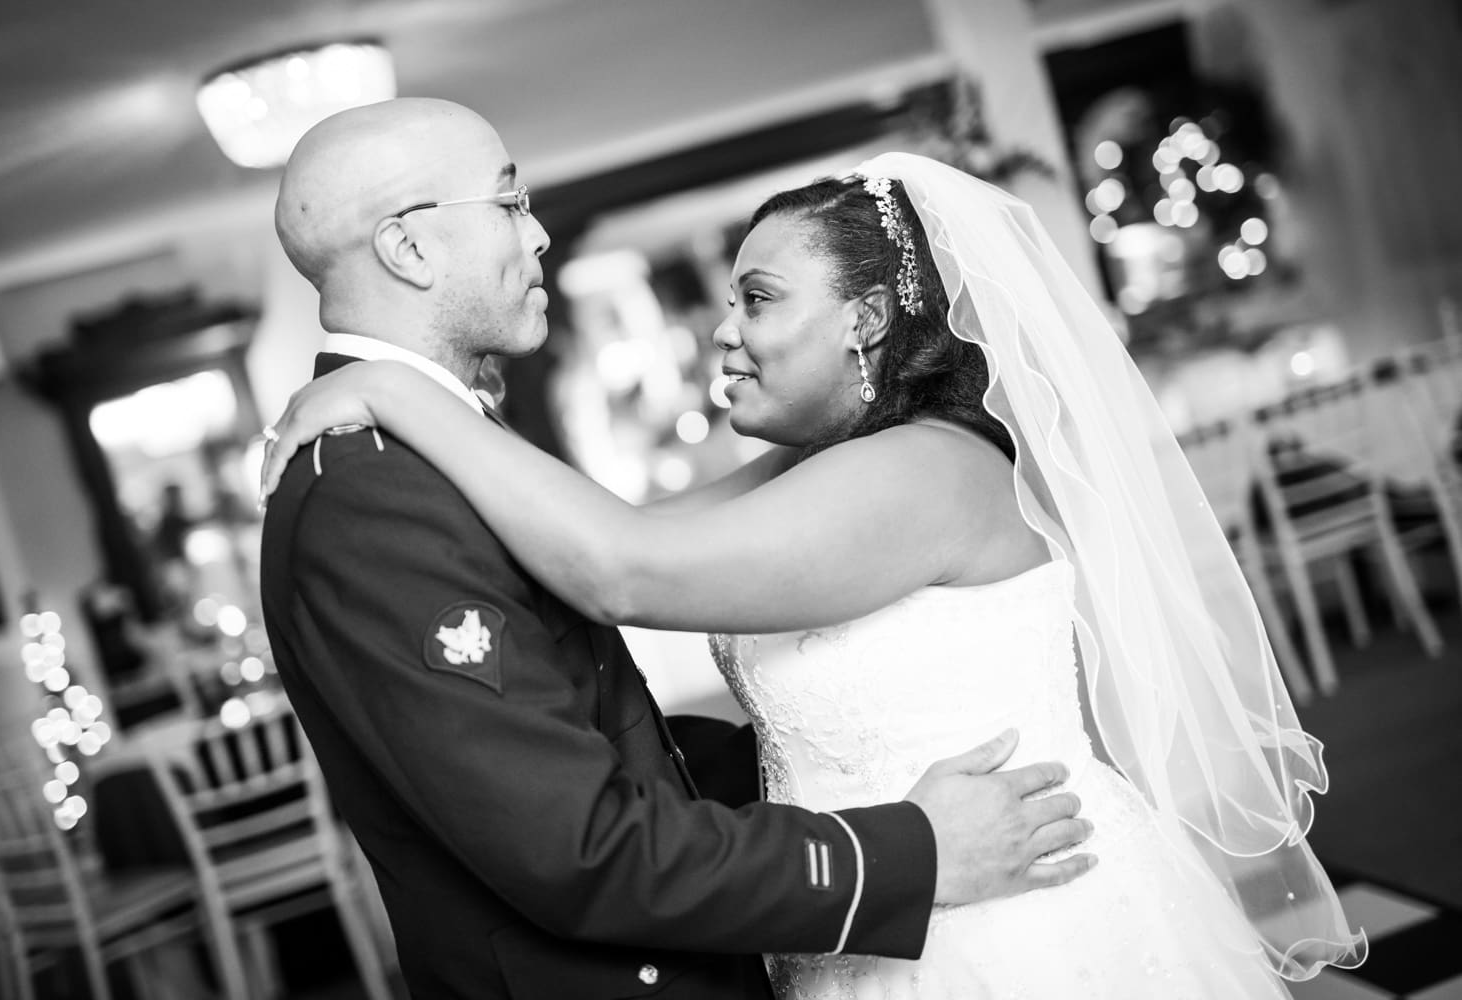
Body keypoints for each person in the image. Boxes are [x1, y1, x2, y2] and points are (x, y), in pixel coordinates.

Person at [264, 151, 1370, 996]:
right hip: (873, 911)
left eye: (758, 298)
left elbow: (620, 569)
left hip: (1004, 919)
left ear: (869, 316)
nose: (725, 335)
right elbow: (587, 546)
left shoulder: (926, 471)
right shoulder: (816, 469)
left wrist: (400, 396)